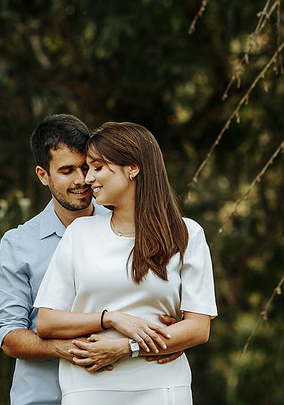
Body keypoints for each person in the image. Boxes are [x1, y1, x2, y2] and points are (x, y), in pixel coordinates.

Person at [34, 121, 217, 405]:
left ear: (133, 168)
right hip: (89, 386)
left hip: (163, 387)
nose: (88, 179)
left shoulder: (186, 233)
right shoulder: (79, 234)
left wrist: (126, 347)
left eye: (97, 167)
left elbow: (197, 328)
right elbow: (46, 322)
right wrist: (110, 317)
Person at [0, 114, 98, 405]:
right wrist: (64, 349)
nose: (81, 180)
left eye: (86, 167)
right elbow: (10, 335)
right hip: (43, 399)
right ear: (43, 175)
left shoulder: (123, 228)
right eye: (67, 171)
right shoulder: (18, 244)